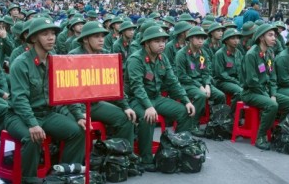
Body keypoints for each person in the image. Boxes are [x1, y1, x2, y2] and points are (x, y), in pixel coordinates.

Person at [5, 17, 87, 184]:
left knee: (77, 131)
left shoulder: (57, 61)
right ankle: (26, 182)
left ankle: (64, 174)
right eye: (45, 34)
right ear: (34, 38)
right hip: (18, 116)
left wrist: (78, 115)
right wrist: (33, 124)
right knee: (32, 136)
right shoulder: (21, 63)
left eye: (53, 34)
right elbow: (19, 99)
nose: (51, 38)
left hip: (47, 113)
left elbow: (67, 92)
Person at [124, 25, 196, 170]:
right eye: (157, 41)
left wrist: (186, 100)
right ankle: (146, 159)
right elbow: (137, 87)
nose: (162, 44)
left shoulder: (162, 58)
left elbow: (173, 82)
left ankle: (178, 150)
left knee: (184, 112)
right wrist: (149, 107)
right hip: (136, 100)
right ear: (146, 43)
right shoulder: (136, 59)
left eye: (163, 40)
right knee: (147, 117)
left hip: (155, 97)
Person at [68, 21, 136, 151]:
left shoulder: (105, 55)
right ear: (86, 39)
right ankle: (76, 165)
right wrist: (79, 113)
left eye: (102, 36)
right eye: (96, 36)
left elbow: (114, 84)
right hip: (74, 106)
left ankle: (121, 156)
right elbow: (69, 92)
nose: (101, 40)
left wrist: (125, 106)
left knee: (126, 118)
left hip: (94, 103)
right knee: (79, 127)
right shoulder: (73, 57)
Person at [241, 23, 289, 150]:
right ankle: (260, 137)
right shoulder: (251, 54)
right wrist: (269, 96)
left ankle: (281, 132)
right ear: (262, 38)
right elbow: (252, 81)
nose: (274, 38)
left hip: (266, 91)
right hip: (251, 92)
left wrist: (272, 94)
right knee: (272, 105)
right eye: (270, 35)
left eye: (275, 35)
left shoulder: (270, 52)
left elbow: (273, 77)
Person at [174, 26, 226, 125]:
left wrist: (207, 84)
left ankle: (217, 122)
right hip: (186, 84)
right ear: (190, 39)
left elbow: (207, 72)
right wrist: (199, 86)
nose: (201, 40)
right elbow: (182, 76)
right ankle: (193, 124)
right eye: (198, 38)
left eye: (202, 38)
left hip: (201, 82)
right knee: (201, 95)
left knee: (220, 95)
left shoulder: (203, 53)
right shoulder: (181, 54)